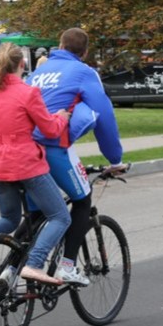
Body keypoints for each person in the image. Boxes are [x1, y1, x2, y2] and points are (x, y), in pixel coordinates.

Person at [26, 27, 126, 285]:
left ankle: (9, 271)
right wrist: (114, 159)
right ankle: (67, 266)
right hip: (55, 146)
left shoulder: (37, 72)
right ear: (85, 51)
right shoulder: (84, 72)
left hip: (25, 150)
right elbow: (104, 114)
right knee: (82, 200)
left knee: (37, 214)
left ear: (59, 45)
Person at [0, 42, 71, 285]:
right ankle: (34, 263)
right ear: (22, 64)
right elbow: (50, 129)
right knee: (60, 216)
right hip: (26, 165)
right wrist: (61, 117)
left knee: (10, 218)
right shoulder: (28, 93)